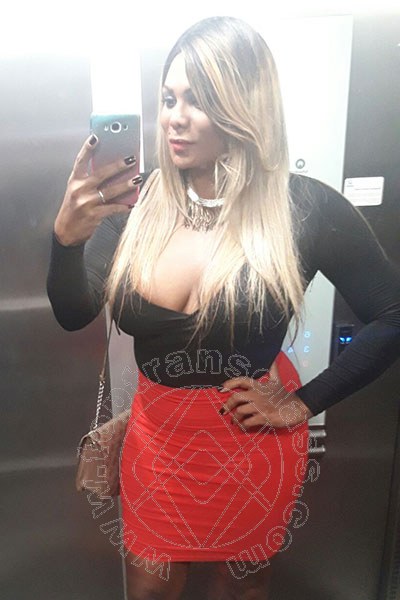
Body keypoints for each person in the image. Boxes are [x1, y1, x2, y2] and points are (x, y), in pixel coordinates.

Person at [47, 15, 400, 600]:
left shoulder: (303, 208)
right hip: (157, 443)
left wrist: (303, 401)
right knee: (149, 589)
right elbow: (72, 311)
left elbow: (391, 315)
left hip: (252, 443)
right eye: (169, 98)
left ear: (245, 107)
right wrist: (66, 242)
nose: (174, 117)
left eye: (199, 100)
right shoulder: (138, 206)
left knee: (240, 589)